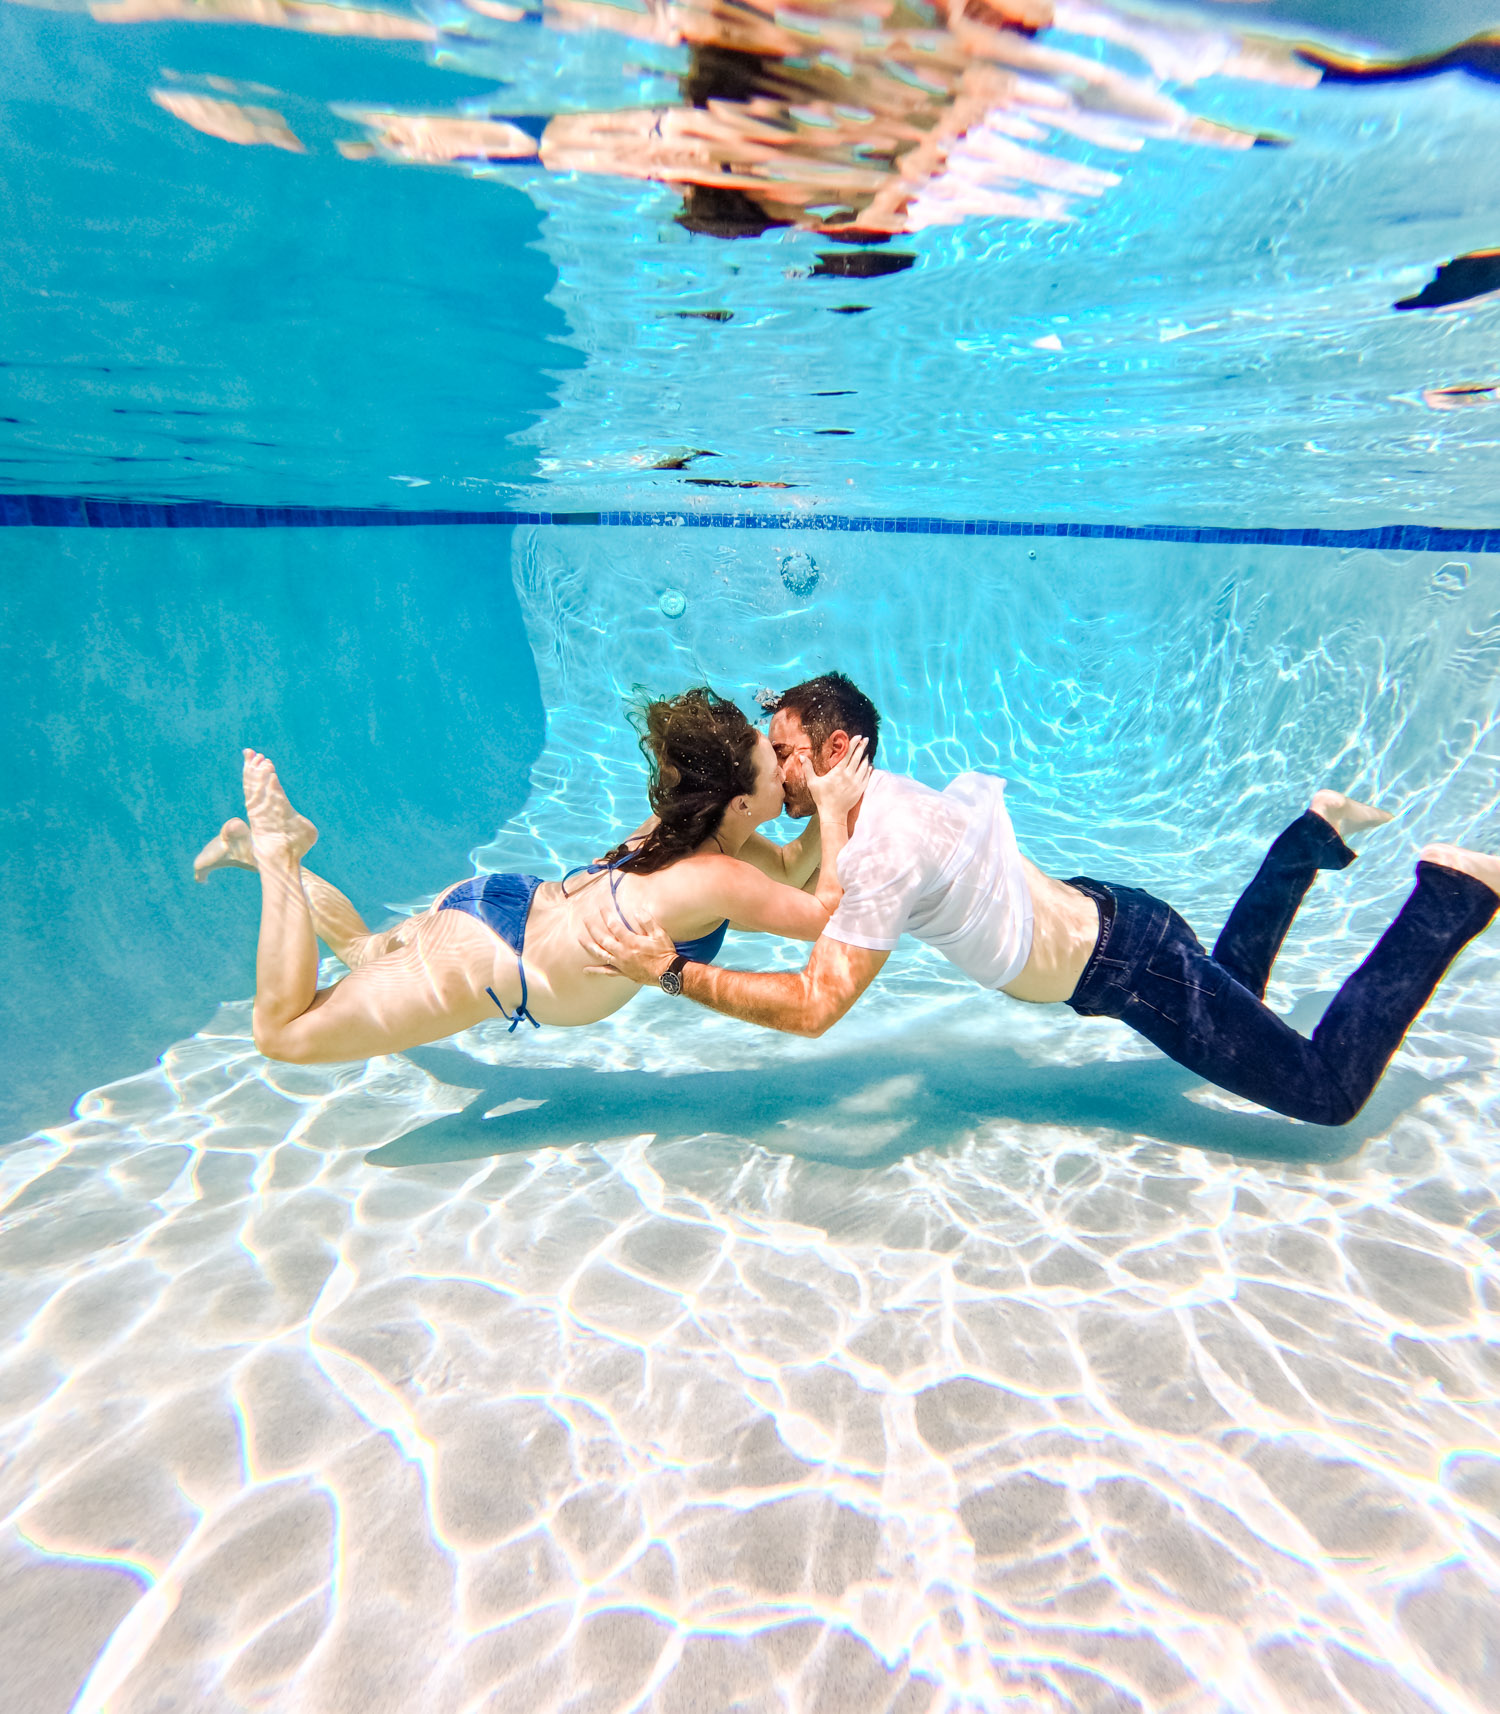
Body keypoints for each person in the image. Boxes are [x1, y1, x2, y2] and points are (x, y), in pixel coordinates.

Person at [584, 672, 1500, 1127]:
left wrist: (669, 973)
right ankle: (1311, 839)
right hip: (1118, 926)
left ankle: (1449, 898)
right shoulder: (859, 814)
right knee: (1236, 998)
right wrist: (684, 836)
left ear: (831, 755)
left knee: (1326, 1091)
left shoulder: (880, 848)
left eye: (781, 750)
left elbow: (817, 1005)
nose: (772, 767)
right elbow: (779, 876)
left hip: (1123, 964)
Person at [194, 688, 870, 1064]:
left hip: (504, 903)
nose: (788, 772)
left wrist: (834, 788)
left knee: (368, 951)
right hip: (496, 957)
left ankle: (259, 853)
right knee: (281, 1033)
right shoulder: (720, 876)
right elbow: (823, 914)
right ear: (741, 802)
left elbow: (790, 863)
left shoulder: (696, 834)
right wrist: (836, 812)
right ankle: (279, 855)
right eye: (773, 761)